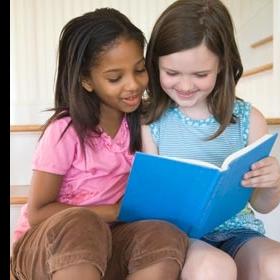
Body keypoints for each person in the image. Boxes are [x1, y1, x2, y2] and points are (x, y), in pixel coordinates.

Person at [10, 8, 189, 280]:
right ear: (86, 80)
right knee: (83, 223)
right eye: (115, 78)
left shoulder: (145, 124)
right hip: (49, 246)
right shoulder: (64, 132)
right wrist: (114, 211)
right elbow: (37, 213)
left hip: (108, 241)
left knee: (164, 233)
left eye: (140, 70)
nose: (133, 85)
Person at [141, 0, 280, 279]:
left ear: (222, 65)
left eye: (200, 75)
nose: (185, 86)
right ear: (155, 64)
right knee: (215, 269)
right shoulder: (151, 123)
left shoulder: (249, 119)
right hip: (181, 237)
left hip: (239, 232)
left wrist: (273, 183)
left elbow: (262, 205)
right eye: (172, 73)